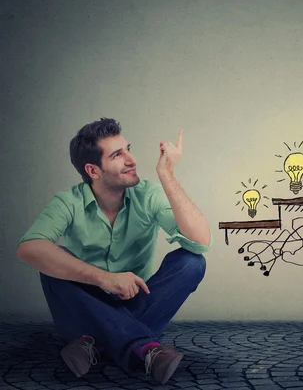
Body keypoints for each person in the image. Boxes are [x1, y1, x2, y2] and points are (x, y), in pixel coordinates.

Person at [16, 118, 213, 385]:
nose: (131, 159)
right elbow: (30, 248)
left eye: (128, 149)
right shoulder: (68, 202)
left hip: (138, 305)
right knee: (51, 260)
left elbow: (200, 242)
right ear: (93, 170)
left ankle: (94, 344)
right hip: (80, 312)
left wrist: (167, 175)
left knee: (192, 262)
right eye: (118, 155)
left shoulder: (148, 195)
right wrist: (103, 278)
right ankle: (145, 348)